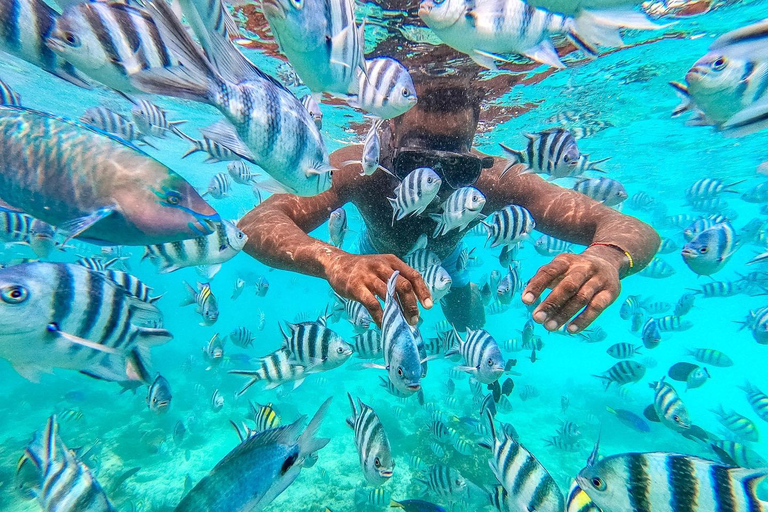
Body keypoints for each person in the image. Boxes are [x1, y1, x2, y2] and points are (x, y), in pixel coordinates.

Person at [238, 70, 660, 334]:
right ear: (387, 135)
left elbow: (632, 229)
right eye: (415, 163)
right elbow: (257, 222)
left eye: (458, 168)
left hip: (447, 263)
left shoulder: (495, 182)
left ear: (474, 149)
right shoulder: (358, 169)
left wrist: (607, 257)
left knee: (469, 326)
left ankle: (464, 285)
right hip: (370, 255)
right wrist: (335, 262)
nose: (435, 183)